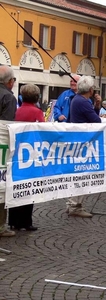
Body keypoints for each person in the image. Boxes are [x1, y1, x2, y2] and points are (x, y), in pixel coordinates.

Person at [8, 84, 44, 231]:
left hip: (16, 153)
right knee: (29, 188)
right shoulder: (37, 112)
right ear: (36, 97)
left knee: (15, 187)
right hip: (31, 154)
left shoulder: (17, 111)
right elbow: (43, 131)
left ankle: (13, 221)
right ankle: (25, 222)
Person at [66, 76, 102, 217]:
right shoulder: (83, 102)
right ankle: (75, 205)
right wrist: (96, 107)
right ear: (90, 90)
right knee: (80, 175)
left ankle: (72, 204)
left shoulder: (78, 100)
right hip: (82, 142)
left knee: (77, 174)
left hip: (79, 140)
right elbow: (96, 120)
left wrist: (96, 106)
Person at [0, 65, 17, 237]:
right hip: (1, 148)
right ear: (10, 82)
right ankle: (0, 226)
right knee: (1, 185)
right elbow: (7, 126)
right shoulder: (9, 98)